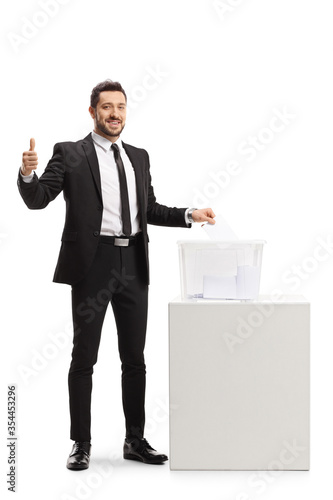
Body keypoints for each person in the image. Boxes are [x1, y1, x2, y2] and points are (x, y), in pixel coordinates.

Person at [18, 79, 215, 470]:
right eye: (106, 107)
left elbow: (151, 210)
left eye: (121, 107)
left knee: (135, 359)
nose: (115, 114)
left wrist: (190, 215)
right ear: (92, 112)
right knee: (84, 357)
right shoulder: (71, 153)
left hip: (134, 264)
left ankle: (135, 440)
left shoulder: (138, 157)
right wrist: (27, 175)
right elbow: (38, 199)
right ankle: (81, 443)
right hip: (93, 265)